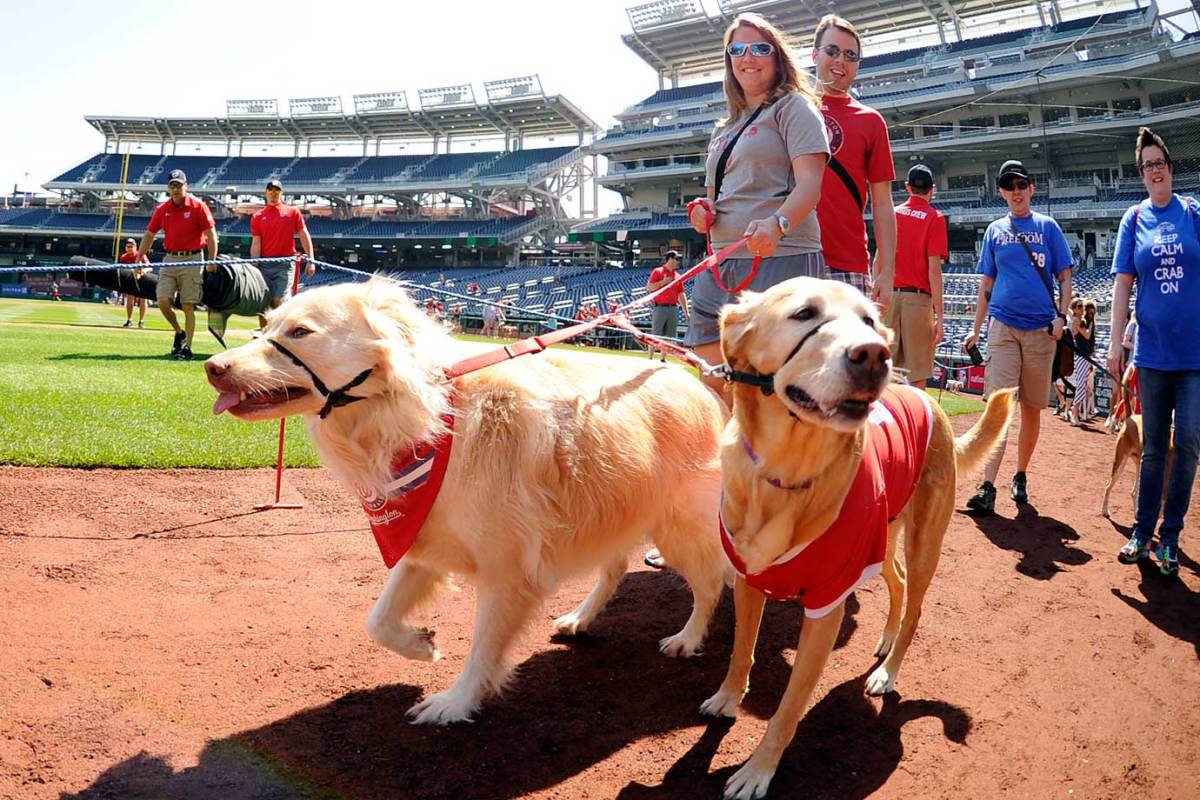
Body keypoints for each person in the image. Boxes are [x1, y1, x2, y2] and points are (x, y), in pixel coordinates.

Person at [683, 11, 830, 398]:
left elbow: (811, 184)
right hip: (721, 262)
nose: (747, 57)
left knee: (774, 391)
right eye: (737, 50)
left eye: (759, 48)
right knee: (712, 382)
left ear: (777, 55)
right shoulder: (724, 127)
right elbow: (718, 194)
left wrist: (778, 223)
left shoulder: (794, 107)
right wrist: (704, 211)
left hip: (781, 256)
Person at [1108, 127, 1200, 578]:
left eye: (1159, 162)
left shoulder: (1193, 212)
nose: (1155, 170)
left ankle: (1172, 535)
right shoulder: (1134, 218)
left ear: (1170, 167)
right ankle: (1142, 532)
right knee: (1153, 449)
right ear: (1141, 173)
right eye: (1147, 165)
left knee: (1189, 442)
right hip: (1152, 354)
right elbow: (1123, 283)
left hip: (1194, 355)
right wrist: (1113, 344)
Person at [963, 159, 1074, 512]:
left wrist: (1061, 317)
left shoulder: (1048, 227)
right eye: (1009, 186)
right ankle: (987, 485)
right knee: (999, 405)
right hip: (1004, 327)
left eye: (1021, 185)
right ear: (1001, 192)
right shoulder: (995, 231)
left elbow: (1065, 277)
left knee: (1032, 408)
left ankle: (1021, 474)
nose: (1016, 191)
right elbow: (987, 283)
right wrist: (976, 329)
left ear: (1031, 189)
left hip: (1041, 330)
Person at [811, 14, 896, 309]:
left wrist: (886, 271)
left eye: (850, 55)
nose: (840, 61)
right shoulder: (789, 109)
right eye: (832, 51)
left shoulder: (870, 121)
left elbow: (883, 203)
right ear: (815, 55)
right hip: (790, 258)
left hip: (848, 265)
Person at [135, 169, 218, 361]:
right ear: (168, 188)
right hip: (170, 258)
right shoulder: (162, 209)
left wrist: (212, 259)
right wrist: (139, 258)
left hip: (193, 258)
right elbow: (149, 234)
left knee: (188, 305)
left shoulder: (198, 206)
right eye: (172, 186)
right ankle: (179, 332)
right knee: (163, 301)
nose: (175, 189)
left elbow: (211, 234)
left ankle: (187, 347)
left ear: (186, 186)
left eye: (179, 186)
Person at [887, 164, 947, 386]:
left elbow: (878, 260)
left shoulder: (893, 213)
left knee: (886, 372)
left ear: (907, 187)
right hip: (918, 300)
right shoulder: (934, 217)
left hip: (890, 296)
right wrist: (940, 317)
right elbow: (934, 271)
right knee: (917, 375)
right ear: (932, 189)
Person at [250, 179, 315, 326]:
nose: (273, 194)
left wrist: (311, 260)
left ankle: (283, 332)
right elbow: (256, 243)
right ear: (266, 193)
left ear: (281, 193)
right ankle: (265, 334)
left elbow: (304, 235)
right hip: (264, 265)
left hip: (285, 264)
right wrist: (255, 265)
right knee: (263, 304)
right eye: (271, 190)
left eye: (277, 191)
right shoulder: (257, 216)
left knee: (278, 300)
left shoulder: (292, 212)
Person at [645, 250, 691, 360]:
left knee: (670, 336)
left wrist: (686, 312)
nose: (678, 261)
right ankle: (650, 358)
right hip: (659, 307)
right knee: (655, 334)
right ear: (670, 259)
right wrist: (664, 282)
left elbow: (681, 294)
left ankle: (663, 359)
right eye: (677, 259)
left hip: (673, 308)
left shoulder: (677, 276)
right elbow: (649, 288)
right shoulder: (658, 271)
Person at [1068, 299, 1097, 426]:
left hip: (1085, 356)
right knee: (1081, 384)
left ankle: (1075, 410)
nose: (1081, 309)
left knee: (1083, 384)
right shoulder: (1076, 320)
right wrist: (1091, 323)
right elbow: (1087, 335)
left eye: (1082, 307)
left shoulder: (1082, 321)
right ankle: (1074, 411)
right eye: (1079, 307)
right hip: (1081, 356)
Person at [118, 238, 151, 328]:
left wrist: (144, 271)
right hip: (131, 279)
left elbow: (150, 267)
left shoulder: (141, 255)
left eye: (131, 246)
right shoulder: (124, 257)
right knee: (130, 299)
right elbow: (122, 270)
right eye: (128, 246)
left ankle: (141, 321)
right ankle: (129, 320)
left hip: (142, 279)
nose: (129, 248)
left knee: (143, 300)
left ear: (135, 247)